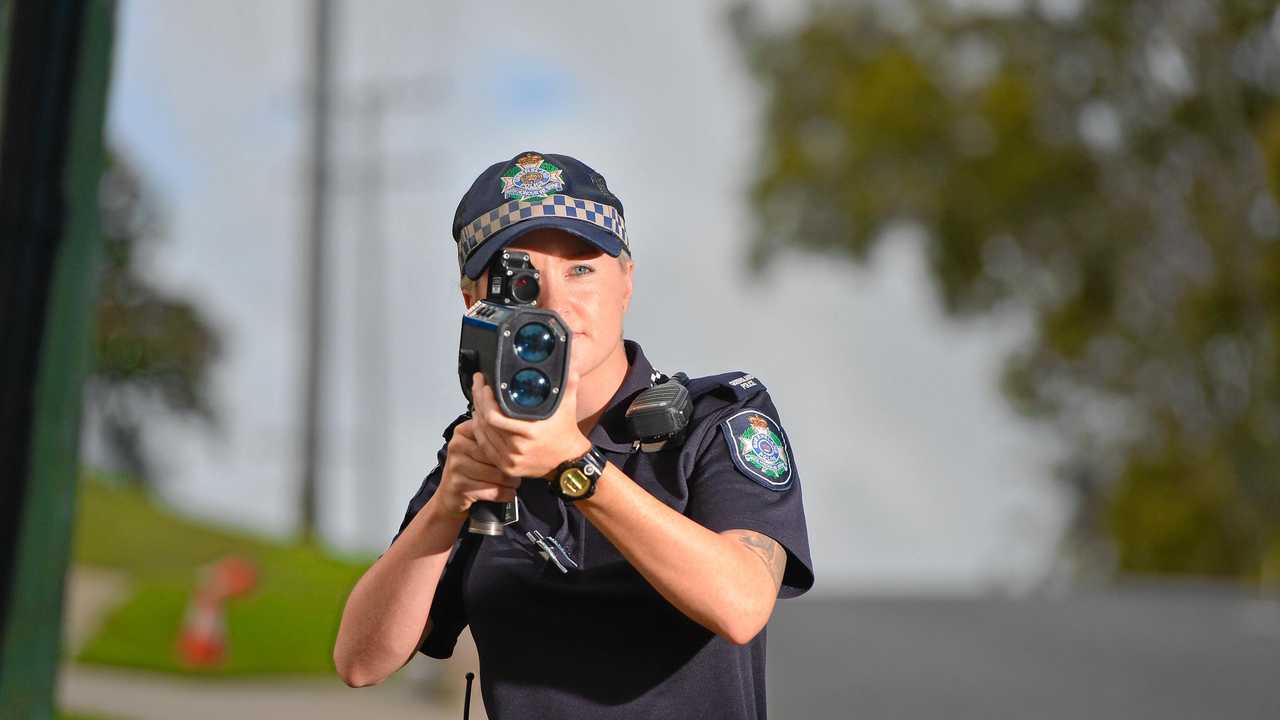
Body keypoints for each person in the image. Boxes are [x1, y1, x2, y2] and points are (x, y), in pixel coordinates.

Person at [334, 151, 814, 719]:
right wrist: (445, 508)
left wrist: (575, 466)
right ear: (473, 302)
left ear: (626, 281)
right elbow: (361, 663)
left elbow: (740, 604)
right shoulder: (479, 449)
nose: (554, 301)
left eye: (581, 268)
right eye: (520, 278)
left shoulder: (715, 421)